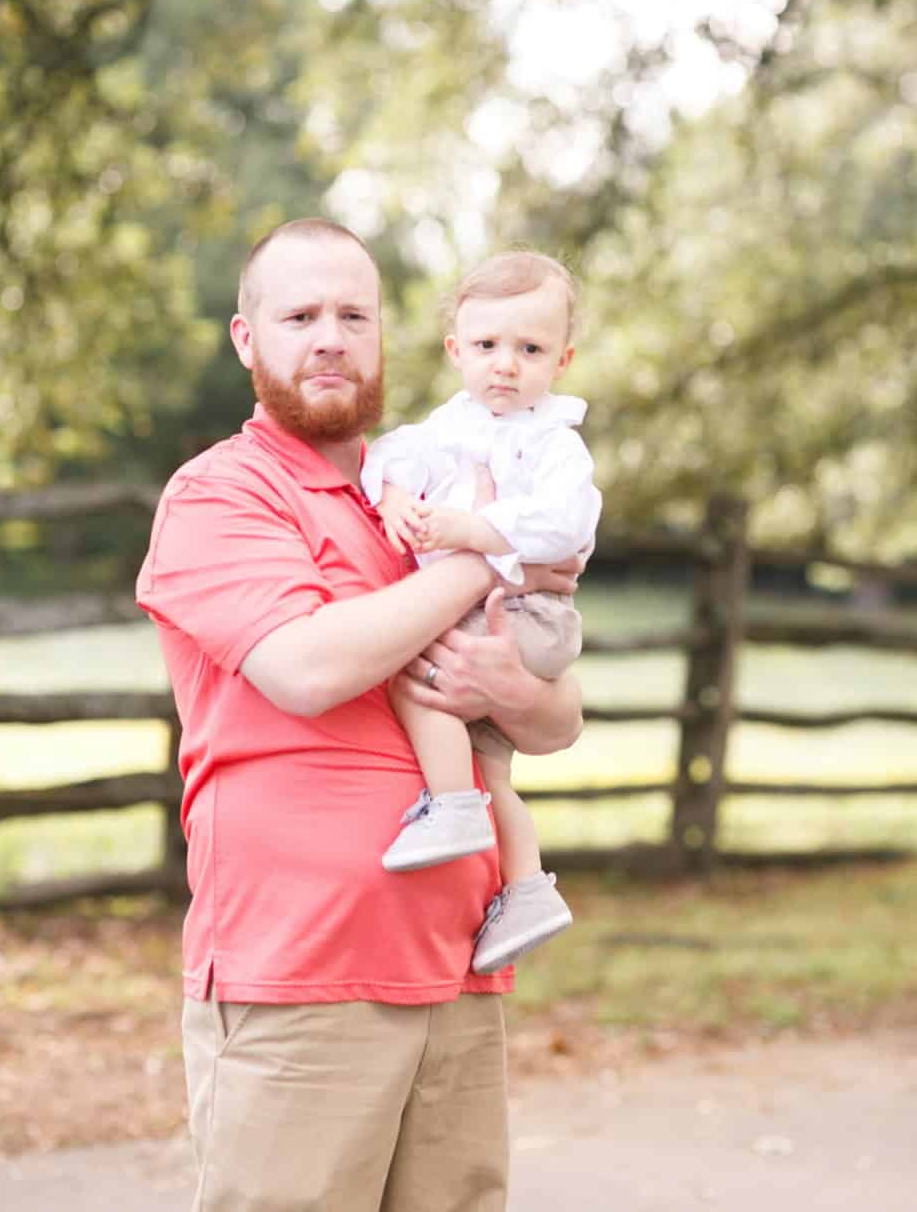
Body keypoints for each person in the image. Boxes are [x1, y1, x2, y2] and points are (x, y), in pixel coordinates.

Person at [135, 218, 585, 1212]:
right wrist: (489, 550)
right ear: (248, 338)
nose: (330, 336)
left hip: (461, 969)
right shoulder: (222, 493)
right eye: (300, 316)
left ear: (391, 336)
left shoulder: (428, 477)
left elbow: (556, 721)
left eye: (354, 314)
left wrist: (501, 654)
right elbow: (305, 666)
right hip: (302, 974)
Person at [362, 252, 601, 974]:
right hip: (510, 612)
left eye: (529, 350)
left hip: (526, 613)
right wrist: (396, 496)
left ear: (560, 360)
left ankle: (451, 806)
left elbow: (568, 523)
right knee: (494, 767)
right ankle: (528, 889)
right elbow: (395, 454)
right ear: (456, 351)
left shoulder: (554, 441)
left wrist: (474, 531)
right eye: (488, 346)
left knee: (414, 674)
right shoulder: (453, 427)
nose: (506, 365)